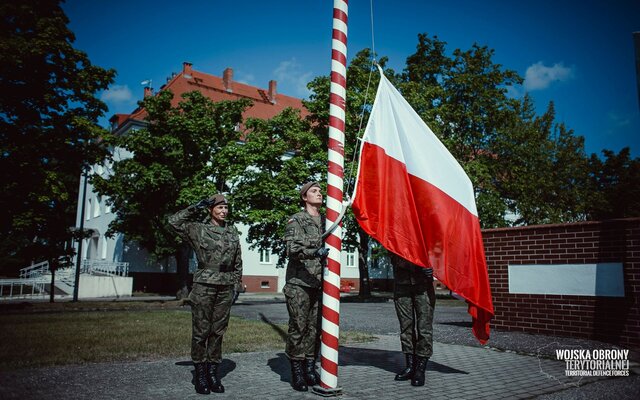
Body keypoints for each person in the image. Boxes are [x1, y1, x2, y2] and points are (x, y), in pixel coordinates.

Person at [169, 194, 242, 395]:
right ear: (211, 210)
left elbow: (237, 263)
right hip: (203, 284)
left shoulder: (232, 233)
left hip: (225, 286)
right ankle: (200, 375)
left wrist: (236, 285)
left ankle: (212, 373)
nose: (224, 211)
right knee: (201, 331)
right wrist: (195, 206)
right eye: (219, 208)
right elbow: (174, 222)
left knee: (218, 331)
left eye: (226, 208)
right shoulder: (198, 229)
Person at [283, 182, 328, 391]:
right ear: (304, 197)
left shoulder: (328, 221)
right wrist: (314, 252)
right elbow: (292, 248)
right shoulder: (297, 220)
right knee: (299, 328)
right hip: (299, 283)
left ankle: (310, 367)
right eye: (314, 191)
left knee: (315, 329)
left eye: (320, 191)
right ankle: (297, 371)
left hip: (320, 283)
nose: (319, 194)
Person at [389, 253, 436, 387]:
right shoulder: (395, 233)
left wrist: (434, 268)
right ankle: (410, 366)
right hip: (402, 284)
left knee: (424, 328)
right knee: (406, 328)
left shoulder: (426, 233)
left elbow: (438, 252)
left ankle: (420, 369)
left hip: (423, 285)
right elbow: (391, 251)